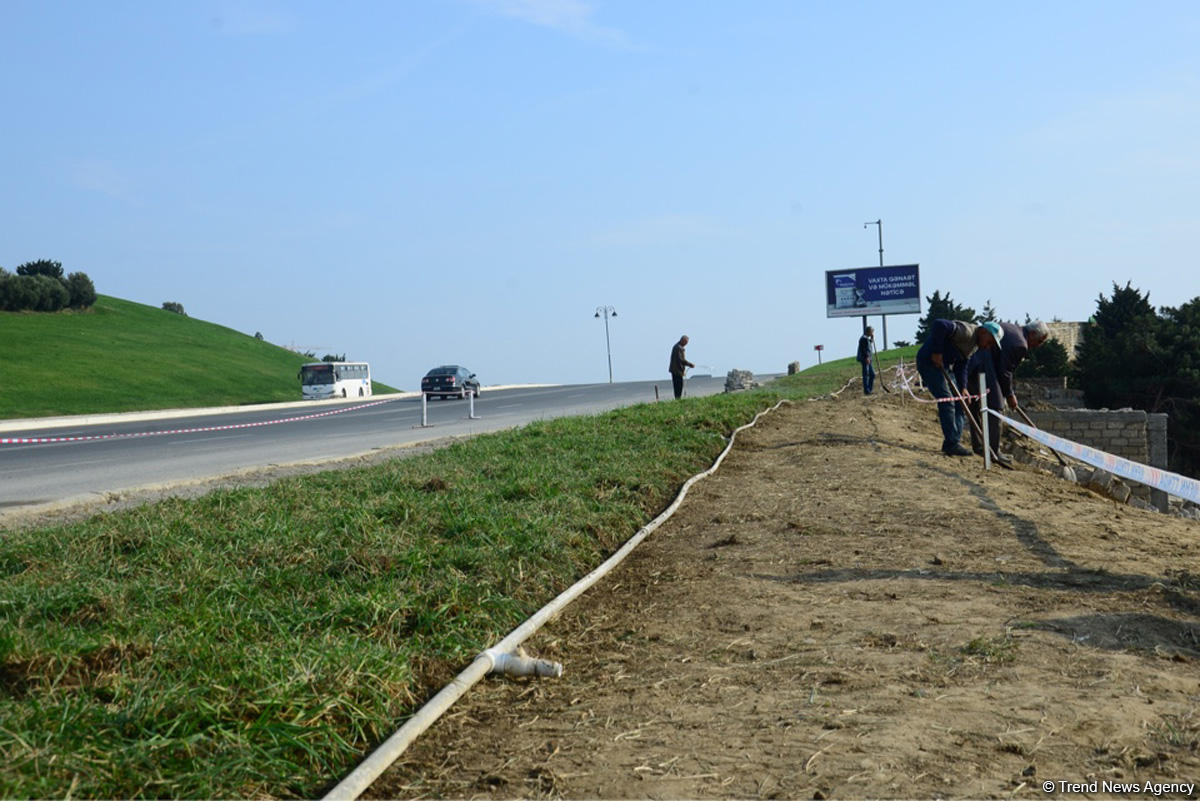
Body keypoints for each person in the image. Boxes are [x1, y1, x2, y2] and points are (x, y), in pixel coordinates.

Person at [915, 319, 1003, 456]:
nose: (988, 346)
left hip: (945, 367)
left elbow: (962, 365)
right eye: (990, 342)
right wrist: (937, 352)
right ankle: (951, 444)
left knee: (960, 402)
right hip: (928, 363)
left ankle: (954, 441)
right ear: (983, 332)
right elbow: (939, 324)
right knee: (947, 400)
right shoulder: (966, 332)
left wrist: (963, 388)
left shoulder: (974, 346)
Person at [967, 320, 1051, 458]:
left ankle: (980, 447)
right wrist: (1010, 395)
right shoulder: (1020, 345)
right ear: (1032, 333)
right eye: (1039, 341)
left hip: (974, 365)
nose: (1038, 345)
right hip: (986, 368)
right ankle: (993, 451)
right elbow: (1005, 371)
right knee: (996, 406)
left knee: (975, 405)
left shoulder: (1010, 328)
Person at [668, 334, 695, 399]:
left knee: (677, 386)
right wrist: (690, 364)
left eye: (687, 343)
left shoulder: (676, 346)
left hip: (675, 370)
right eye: (685, 342)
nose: (686, 344)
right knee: (679, 386)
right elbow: (681, 360)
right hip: (677, 371)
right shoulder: (679, 348)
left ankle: (677, 399)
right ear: (682, 340)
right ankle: (678, 399)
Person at [856, 326, 876, 395]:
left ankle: (869, 389)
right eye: (872, 332)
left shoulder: (866, 338)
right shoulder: (863, 339)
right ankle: (867, 391)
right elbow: (864, 349)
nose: (872, 333)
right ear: (868, 331)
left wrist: (872, 339)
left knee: (872, 374)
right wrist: (867, 357)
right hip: (865, 359)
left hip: (868, 359)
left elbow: (869, 344)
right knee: (866, 374)